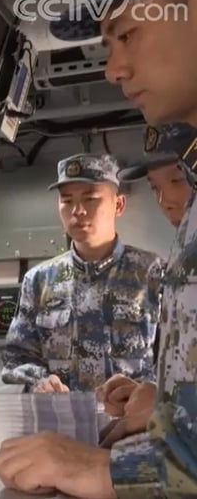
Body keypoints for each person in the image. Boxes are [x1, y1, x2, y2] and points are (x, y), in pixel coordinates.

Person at [0, 0, 197, 496]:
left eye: (126, 34)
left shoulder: (152, 266)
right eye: (68, 199)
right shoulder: (42, 280)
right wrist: (165, 403)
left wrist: (97, 470)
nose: (112, 68)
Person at [0, 153, 162, 393]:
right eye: (67, 201)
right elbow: (15, 359)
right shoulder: (39, 280)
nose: (77, 211)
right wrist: (39, 381)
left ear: (118, 205)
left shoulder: (153, 273)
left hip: (129, 415)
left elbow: (178, 361)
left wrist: (147, 392)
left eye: (90, 199)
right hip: (59, 413)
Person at [95, 122, 195, 447]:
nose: (165, 200)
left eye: (177, 181)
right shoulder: (183, 253)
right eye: (154, 188)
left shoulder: (156, 266)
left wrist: (163, 407)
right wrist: (151, 395)